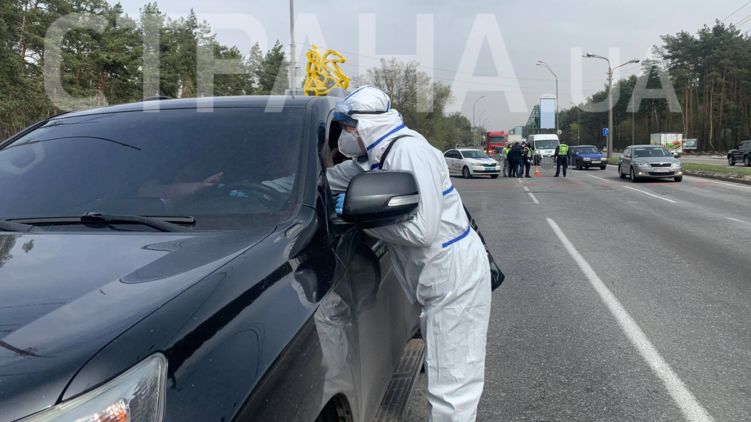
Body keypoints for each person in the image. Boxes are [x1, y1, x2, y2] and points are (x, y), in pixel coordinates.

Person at [326, 86, 492, 422]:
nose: (344, 137)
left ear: (365, 125)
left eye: (347, 128)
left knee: (453, 386)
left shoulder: (408, 152)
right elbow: (331, 179)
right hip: (434, 276)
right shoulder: (377, 155)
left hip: (452, 274)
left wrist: (355, 219)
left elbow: (421, 231)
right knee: (444, 370)